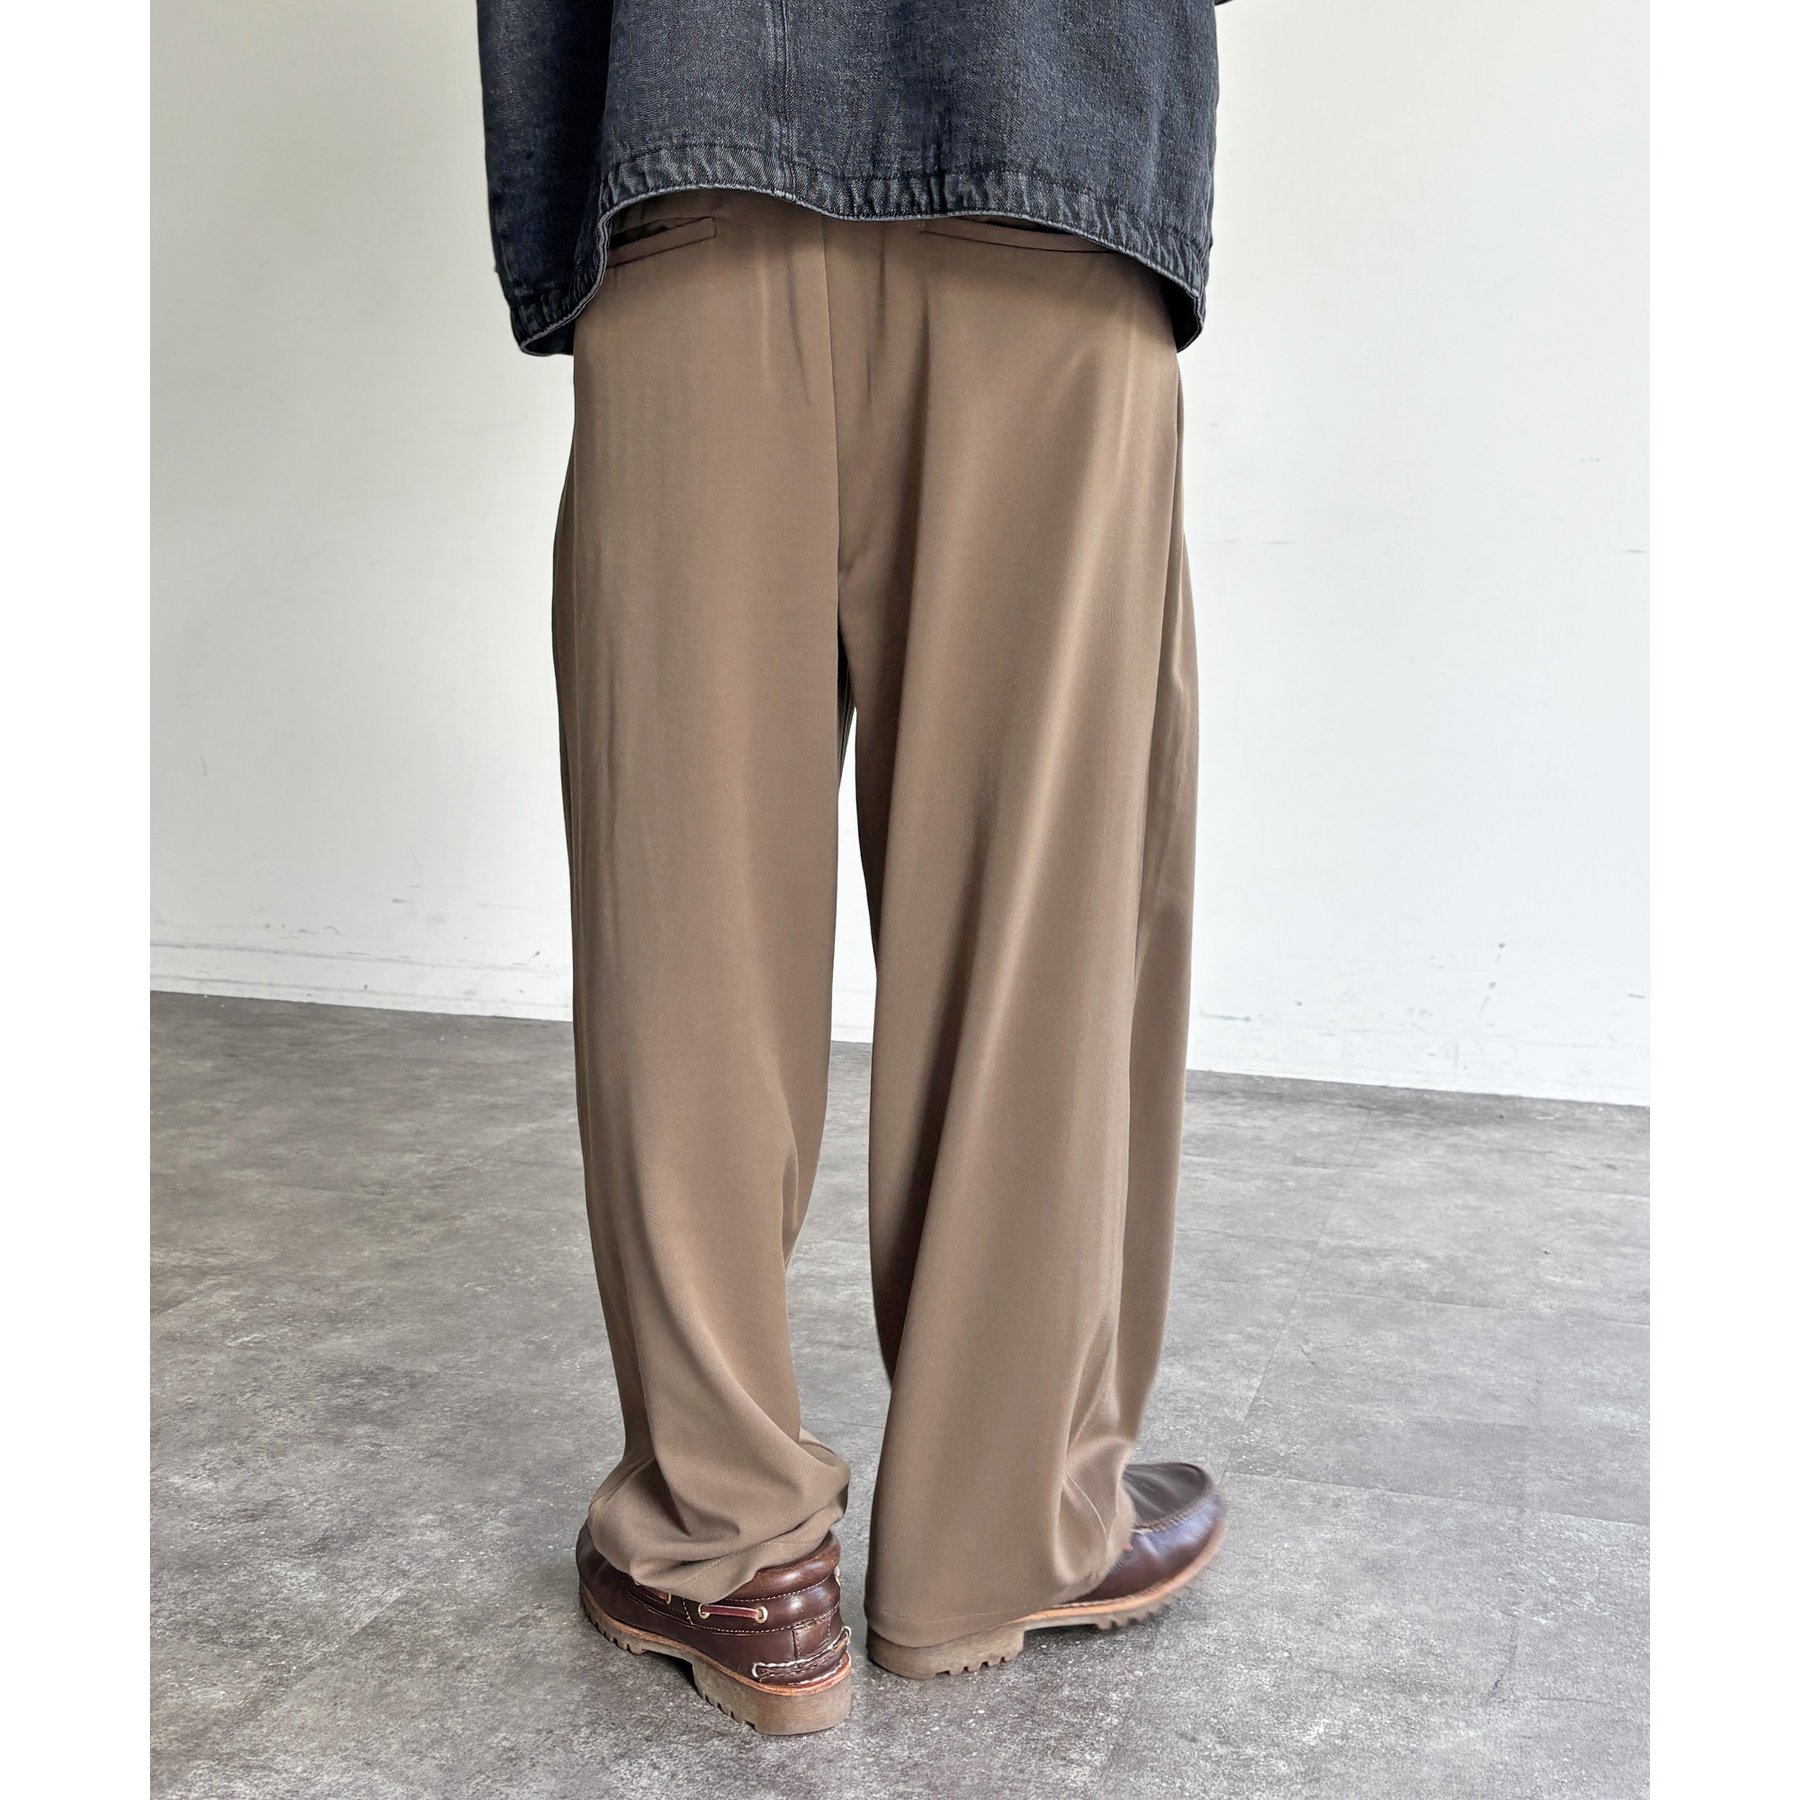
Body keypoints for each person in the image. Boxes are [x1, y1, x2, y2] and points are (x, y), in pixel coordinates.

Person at [475, 1, 1232, 1736]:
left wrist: (581, 191)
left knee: (683, 904)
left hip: (690, 156)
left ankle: (729, 1545)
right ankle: (1002, 1527)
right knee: (1041, 920)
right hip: (1052, 167)